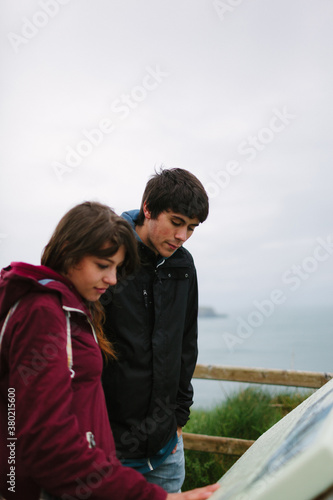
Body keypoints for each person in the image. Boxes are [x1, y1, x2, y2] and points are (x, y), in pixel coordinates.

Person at [0, 201, 218, 500]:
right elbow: (48, 445)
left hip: (96, 473)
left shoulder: (71, 308)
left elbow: (185, 344)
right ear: (67, 250)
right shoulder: (44, 313)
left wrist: (178, 415)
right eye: (103, 266)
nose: (113, 279)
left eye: (117, 268)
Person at [102, 168, 209, 493]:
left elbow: (186, 344)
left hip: (166, 449)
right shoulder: (108, 257)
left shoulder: (183, 265)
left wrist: (178, 418)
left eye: (191, 228)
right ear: (148, 208)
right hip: (109, 447)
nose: (182, 237)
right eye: (176, 222)